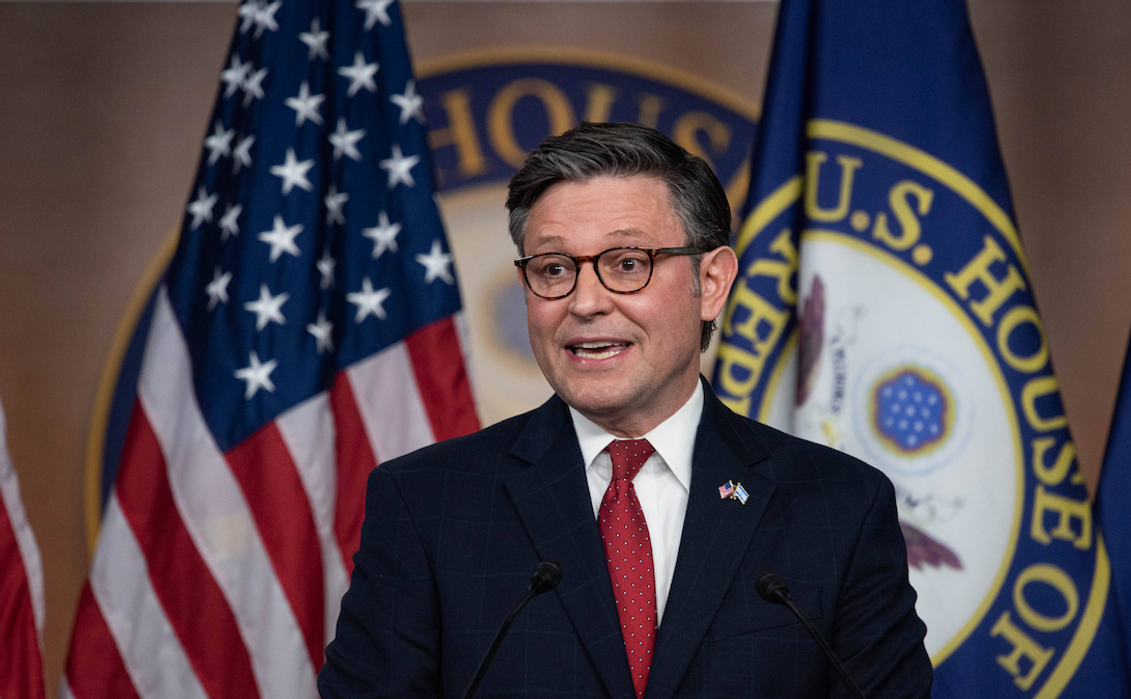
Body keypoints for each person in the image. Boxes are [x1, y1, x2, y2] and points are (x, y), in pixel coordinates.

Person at [319, 122, 932, 698]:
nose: (585, 302)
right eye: (554, 269)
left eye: (627, 265)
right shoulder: (427, 503)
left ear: (711, 282)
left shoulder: (838, 508)